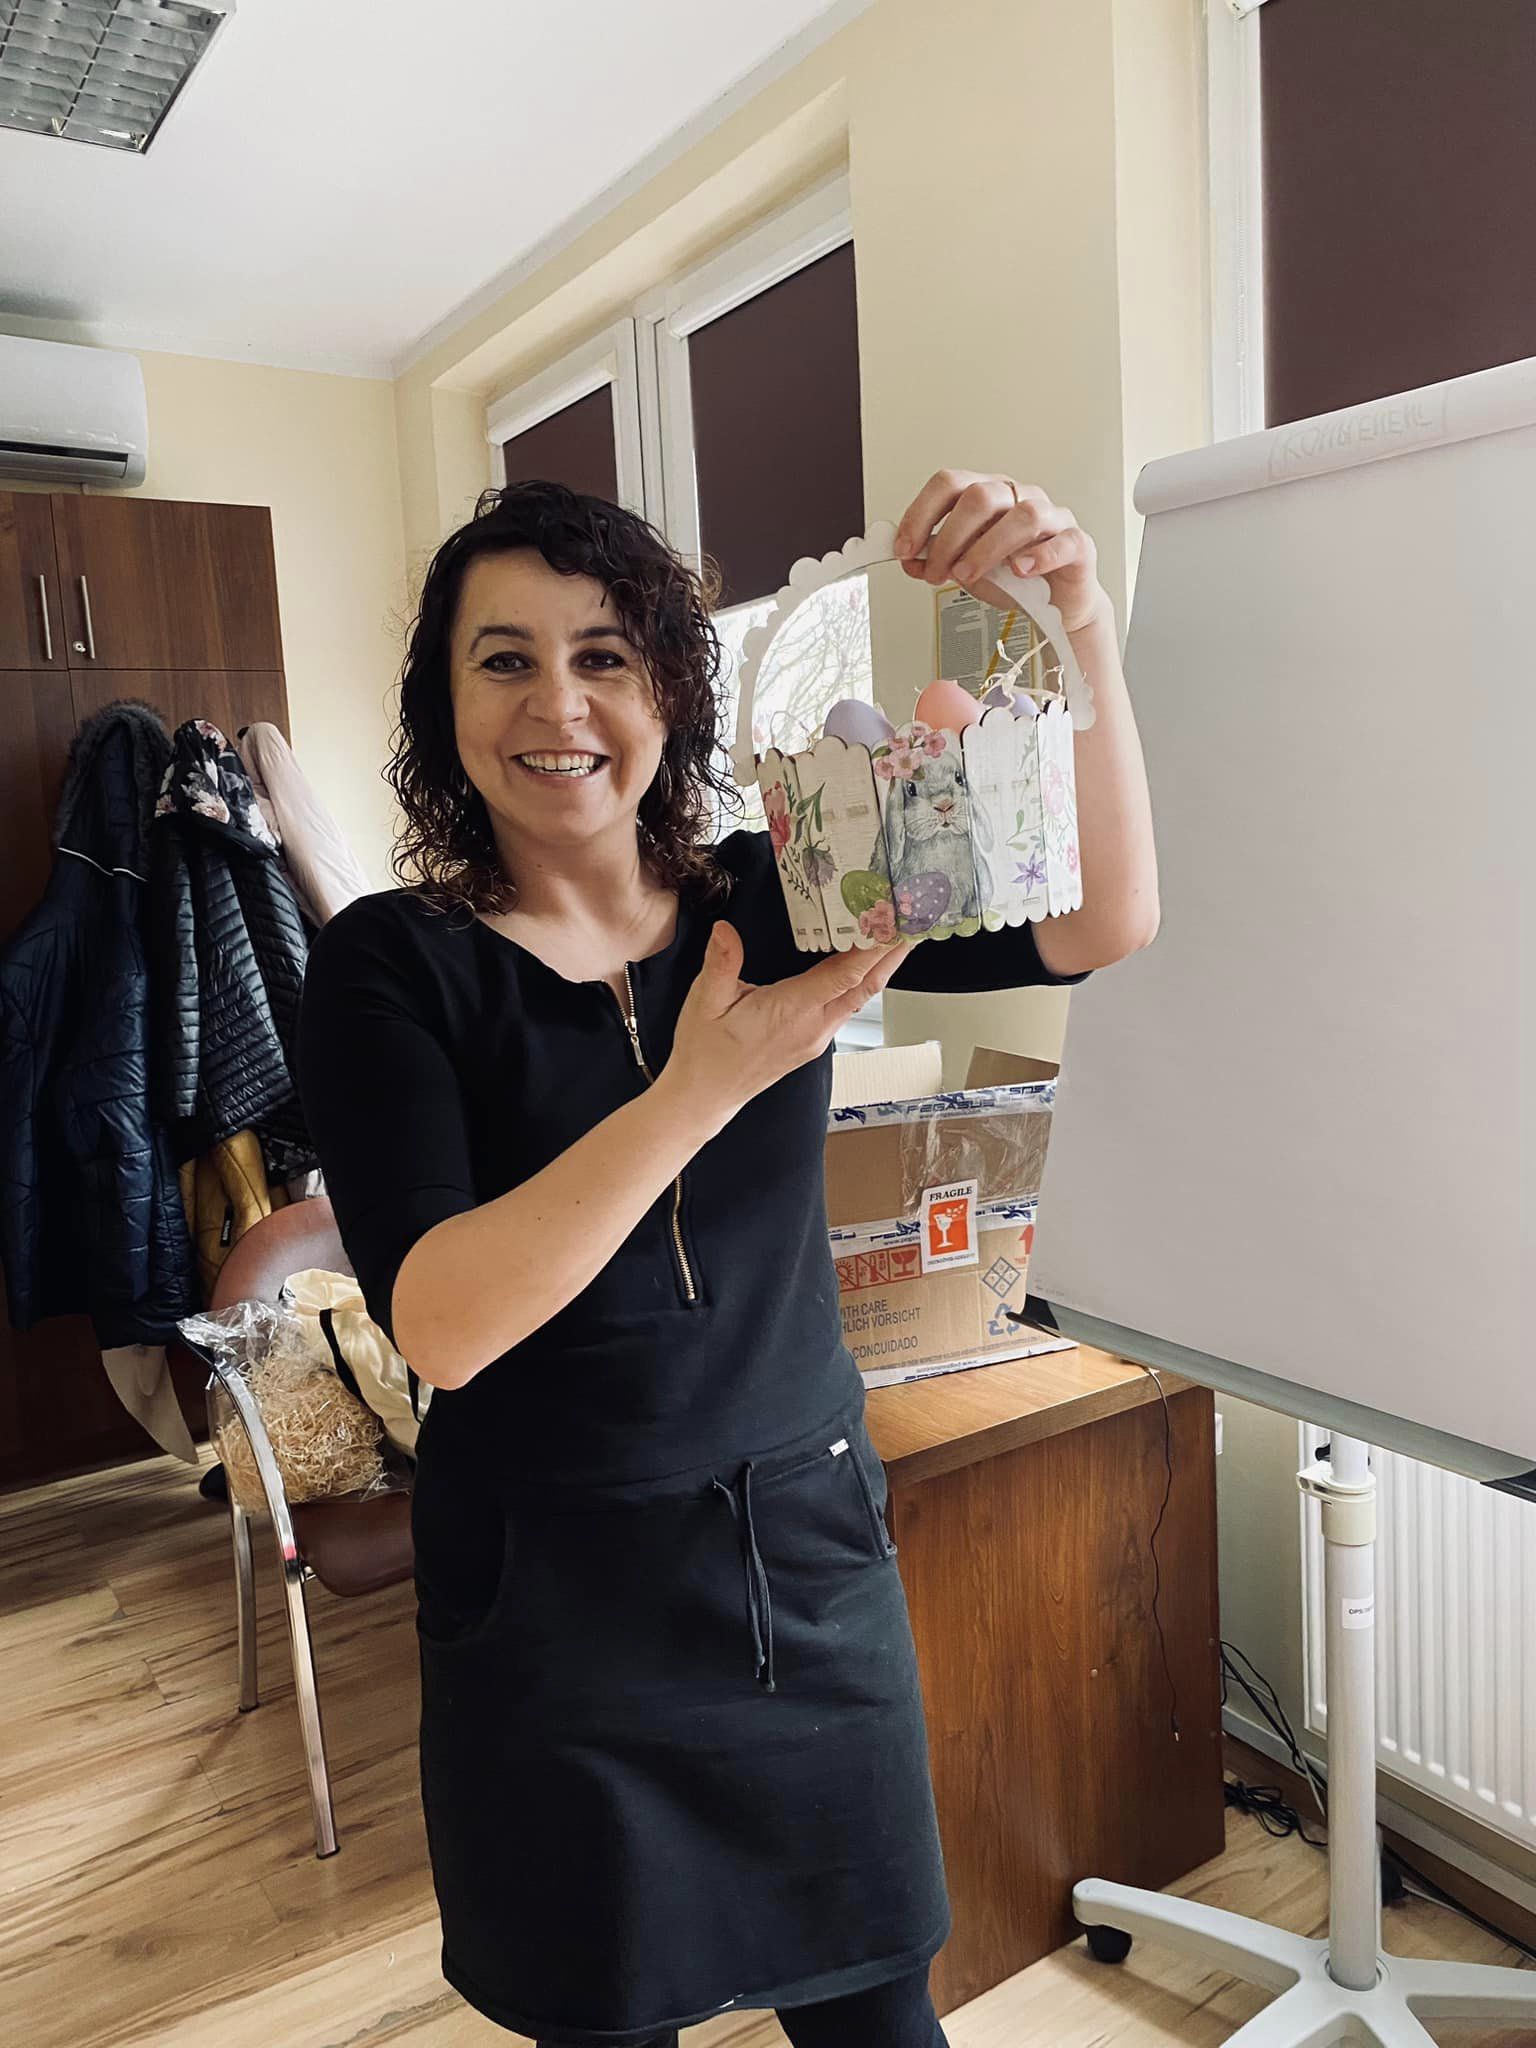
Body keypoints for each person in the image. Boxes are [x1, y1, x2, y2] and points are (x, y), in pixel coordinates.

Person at [297, 469, 1158, 2047]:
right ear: (443, 701)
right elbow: (446, 1325)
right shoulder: (390, 966)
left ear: (669, 692)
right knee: (604, 2018)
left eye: (604, 655)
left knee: (879, 2016)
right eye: (505, 659)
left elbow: (1096, 919)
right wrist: (702, 1086)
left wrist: (1080, 624)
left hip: (802, 1564)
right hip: (554, 1610)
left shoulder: (785, 883)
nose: (559, 705)